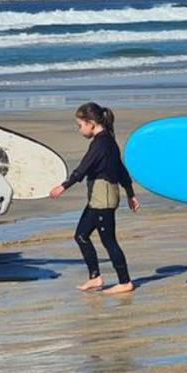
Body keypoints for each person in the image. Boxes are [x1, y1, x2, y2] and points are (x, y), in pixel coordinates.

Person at [49, 102, 140, 294]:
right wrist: (130, 194)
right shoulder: (107, 141)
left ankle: (125, 282)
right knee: (81, 236)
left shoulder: (101, 143)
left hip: (103, 198)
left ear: (91, 123)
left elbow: (84, 167)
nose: (79, 129)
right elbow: (122, 171)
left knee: (109, 241)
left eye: (80, 125)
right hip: (97, 198)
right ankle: (95, 277)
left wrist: (64, 186)